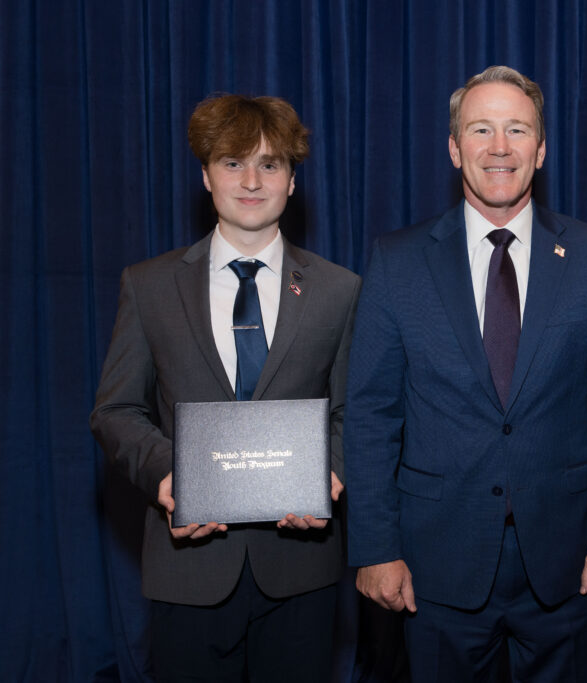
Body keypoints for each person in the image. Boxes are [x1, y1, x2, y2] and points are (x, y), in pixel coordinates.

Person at [344, 65, 587, 681]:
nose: (500, 146)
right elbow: (372, 415)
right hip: (435, 564)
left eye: (517, 129)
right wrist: (375, 547)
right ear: (455, 148)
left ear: (542, 149)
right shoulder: (397, 261)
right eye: (481, 129)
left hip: (568, 563)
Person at [90, 94, 360, 681]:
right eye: (233, 163)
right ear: (206, 176)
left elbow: (354, 411)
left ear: (292, 181)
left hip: (301, 570)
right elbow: (116, 409)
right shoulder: (149, 286)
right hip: (188, 569)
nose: (251, 181)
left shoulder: (340, 290)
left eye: (270, 164)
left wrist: (329, 473)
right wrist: (170, 476)